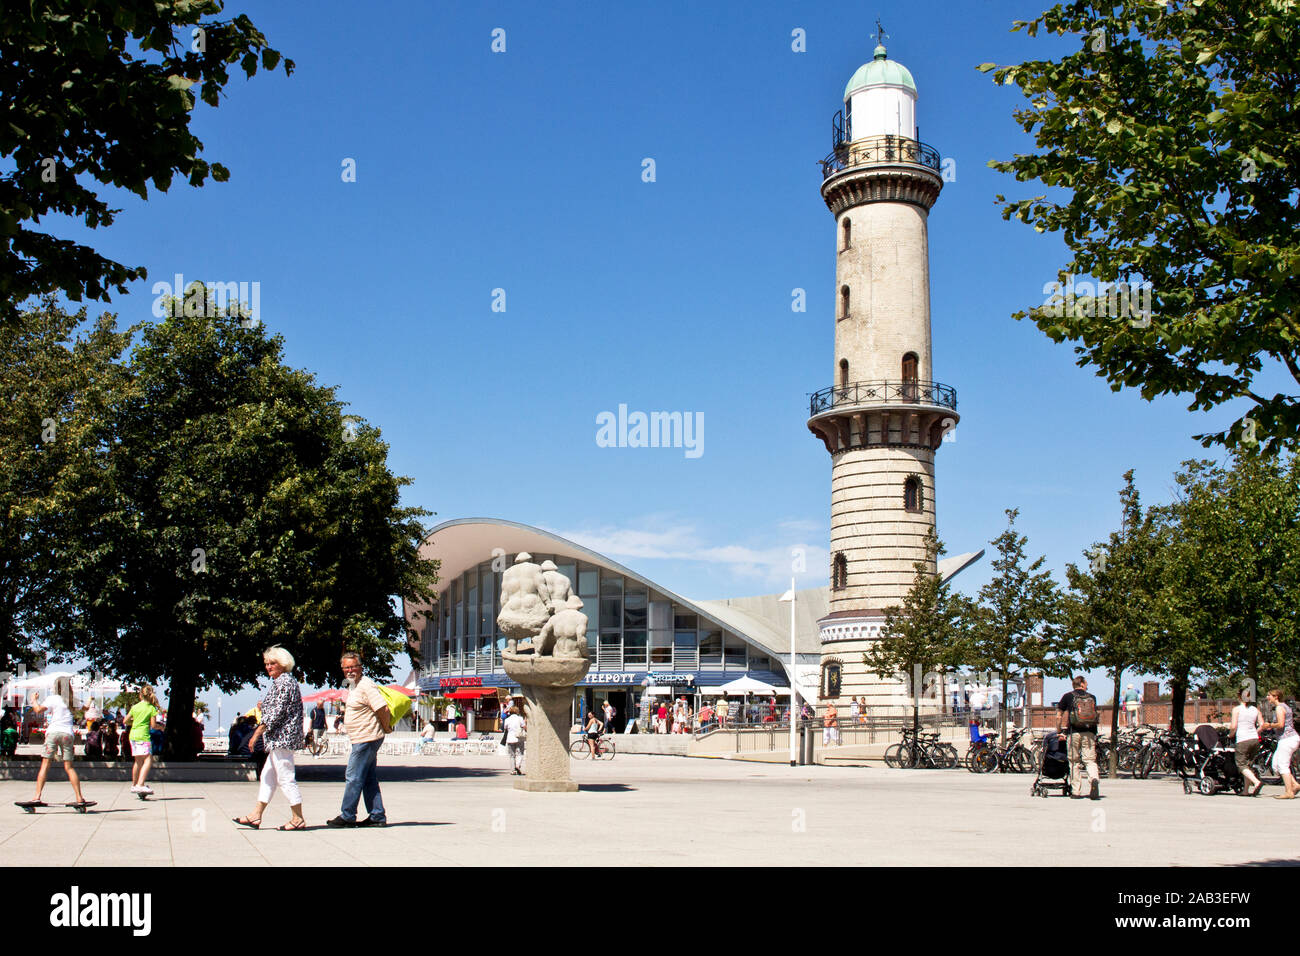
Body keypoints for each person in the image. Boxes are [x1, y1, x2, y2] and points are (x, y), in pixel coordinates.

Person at [235, 646, 307, 830]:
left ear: (283, 663)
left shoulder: (284, 682)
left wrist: (257, 733)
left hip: (282, 739)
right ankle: (255, 815)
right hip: (278, 739)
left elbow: (277, 713)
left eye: (272, 663)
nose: (268, 667)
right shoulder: (282, 682)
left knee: (286, 777)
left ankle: (298, 818)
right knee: (267, 776)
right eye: (266, 664)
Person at [328, 650, 392, 828]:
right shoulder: (352, 686)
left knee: (353, 776)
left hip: (367, 737)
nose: (349, 670)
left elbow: (382, 708)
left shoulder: (366, 685)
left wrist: (386, 727)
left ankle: (347, 815)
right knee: (368, 778)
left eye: (353, 667)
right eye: (346, 667)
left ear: (360, 667)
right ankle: (377, 815)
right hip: (361, 738)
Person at [25, 678, 89, 806]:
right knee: (69, 767)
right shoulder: (73, 700)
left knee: (45, 765)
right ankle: (79, 797)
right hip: (67, 734)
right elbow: (85, 708)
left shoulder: (52, 698)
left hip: (53, 733)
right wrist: (89, 700)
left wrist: (33, 700)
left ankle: (37, 796)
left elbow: (38, 710)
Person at [1056, 675, 1100, 800]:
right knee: (1090, 760)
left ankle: (1076, 791)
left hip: (1073, 732)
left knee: (1074, 761)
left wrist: (1059, 730)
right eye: (1086, 683)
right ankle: (1094, 779)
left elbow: (1058, 716)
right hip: (1090, 732)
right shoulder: (1092, 697)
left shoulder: (1068, 696)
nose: (1087, 685)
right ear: (1081, 684)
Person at [124, 686, 162, 796]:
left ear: (140, 695)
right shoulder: (151, 708)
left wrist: (135, 722)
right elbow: (154, 725)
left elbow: (125, 721)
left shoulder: (135, 707)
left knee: (137, 761)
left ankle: (134, 785)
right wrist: (161, 727)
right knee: (148, 760)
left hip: (133, 735)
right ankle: (140, 784)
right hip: (143, 736)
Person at [1263, 689, 1299, 800]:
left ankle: (1289, 792)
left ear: (1276, 697)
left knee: (1282, 765)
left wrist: (1269, 725)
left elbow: (1281, 724)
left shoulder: (1279, 707)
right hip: (1288, 739)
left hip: (1287, 739)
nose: (1267, 697)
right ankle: (1295, 785)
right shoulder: (1284, 706)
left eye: (1269, 695)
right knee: (1276, 765)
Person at [1230, 688, 1265, 797]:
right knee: (1248, 766)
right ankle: (1245, 790)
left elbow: (1234, 726)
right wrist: (1255, 732)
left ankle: (1256, 782)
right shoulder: (1255, 709)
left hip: (1242, 739)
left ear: (1239, 697)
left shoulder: (1237, 709)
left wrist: (1230, 735)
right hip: (1255, 740)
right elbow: (1262, 724)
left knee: (1241, 765)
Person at [504, 705, 526, 774]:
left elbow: (505, 728)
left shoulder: (507, 719)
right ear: (517, 711)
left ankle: (513, 770)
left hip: (510, 738)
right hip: (519, 737)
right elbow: (524, 726)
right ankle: (518, 765)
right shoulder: (520, 718)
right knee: (520, 752)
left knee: (512, 755)